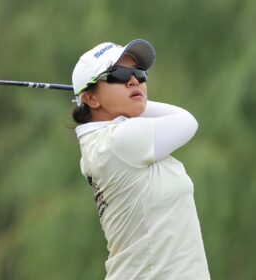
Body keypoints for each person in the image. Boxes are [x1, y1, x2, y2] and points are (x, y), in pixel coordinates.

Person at [71, 39, 211, 279]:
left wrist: (126, 98)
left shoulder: (104, 143)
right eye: (118, 75)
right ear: (91, 100)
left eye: (138, 73)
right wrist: (138, 101)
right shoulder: (118, 142)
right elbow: (187, 121)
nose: (134, 80)